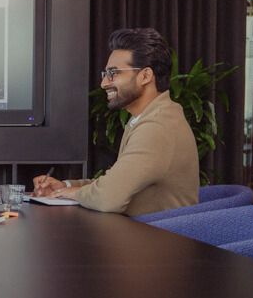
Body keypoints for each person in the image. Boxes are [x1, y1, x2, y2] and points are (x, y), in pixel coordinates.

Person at [33, 28, 198, 217]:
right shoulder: (150, 116)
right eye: (105, 73)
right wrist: (67, 186)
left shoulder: (157, 127)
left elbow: (107, 197)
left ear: (145, 76)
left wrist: (74, 193)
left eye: (113, 73)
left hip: (156, 240)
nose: (104, 83)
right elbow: (116, 182)